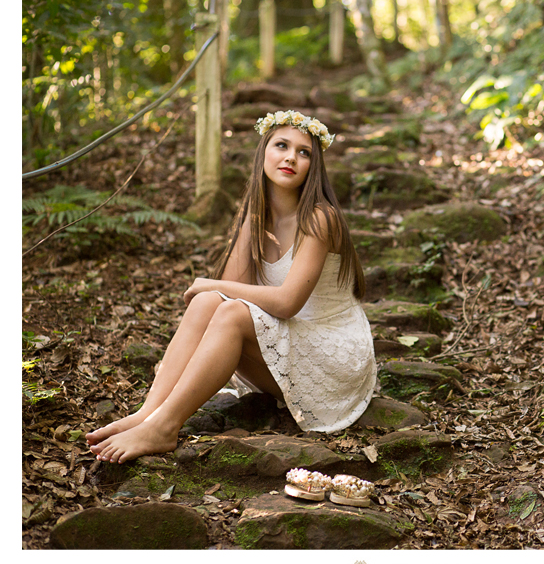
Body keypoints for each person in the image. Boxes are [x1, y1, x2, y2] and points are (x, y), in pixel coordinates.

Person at [87, 110, 376, 463]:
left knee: (230, 311)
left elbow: (285, 303)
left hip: (332, 356)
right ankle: (148, 413)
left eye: (304, 153)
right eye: (281, 145)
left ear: (314, 167)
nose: (291, 157)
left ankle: (164, 427)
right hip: (294, 344)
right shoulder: (258, 215)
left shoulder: (320, 217)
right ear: (263, 153)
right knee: (210, 302)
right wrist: (249, 224)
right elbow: (223, 294)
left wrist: (212, 282)